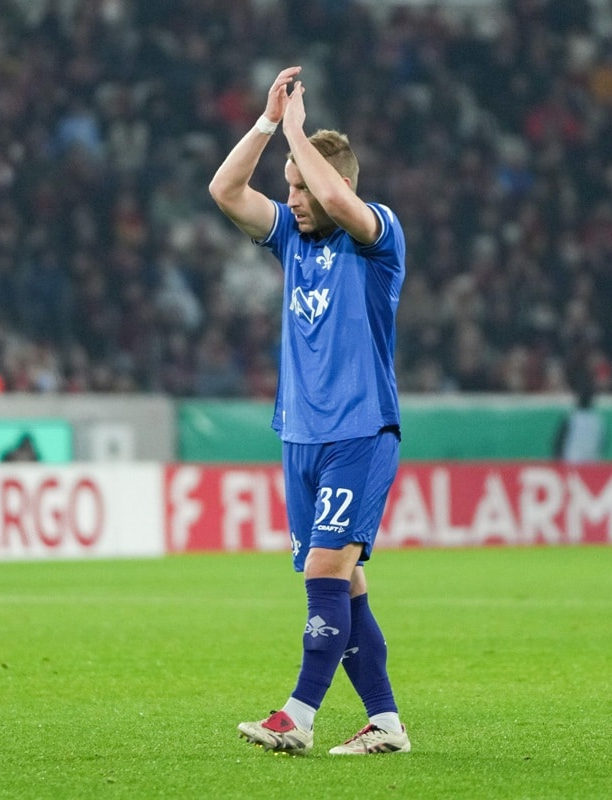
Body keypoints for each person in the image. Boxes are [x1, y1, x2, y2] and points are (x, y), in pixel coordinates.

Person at [209, 66, 410, 756]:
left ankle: (297, 714)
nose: (291, 199)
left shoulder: (377, 239)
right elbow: (225, 190)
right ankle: (385, 722)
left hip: (360, 430)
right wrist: (269, 123)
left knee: (324, 570)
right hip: (300, 434)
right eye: (289, 187)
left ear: (340, 187)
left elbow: (329, 192)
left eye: (301, 187)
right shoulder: (293, 239)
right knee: (345, 585)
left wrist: (300, 130)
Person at [553, 383, 607, 463]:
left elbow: (559, 442)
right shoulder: (598, 420)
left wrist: (557, 459)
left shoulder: (572, 418)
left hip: (572, 462)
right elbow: (603, 444)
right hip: (592, 463)